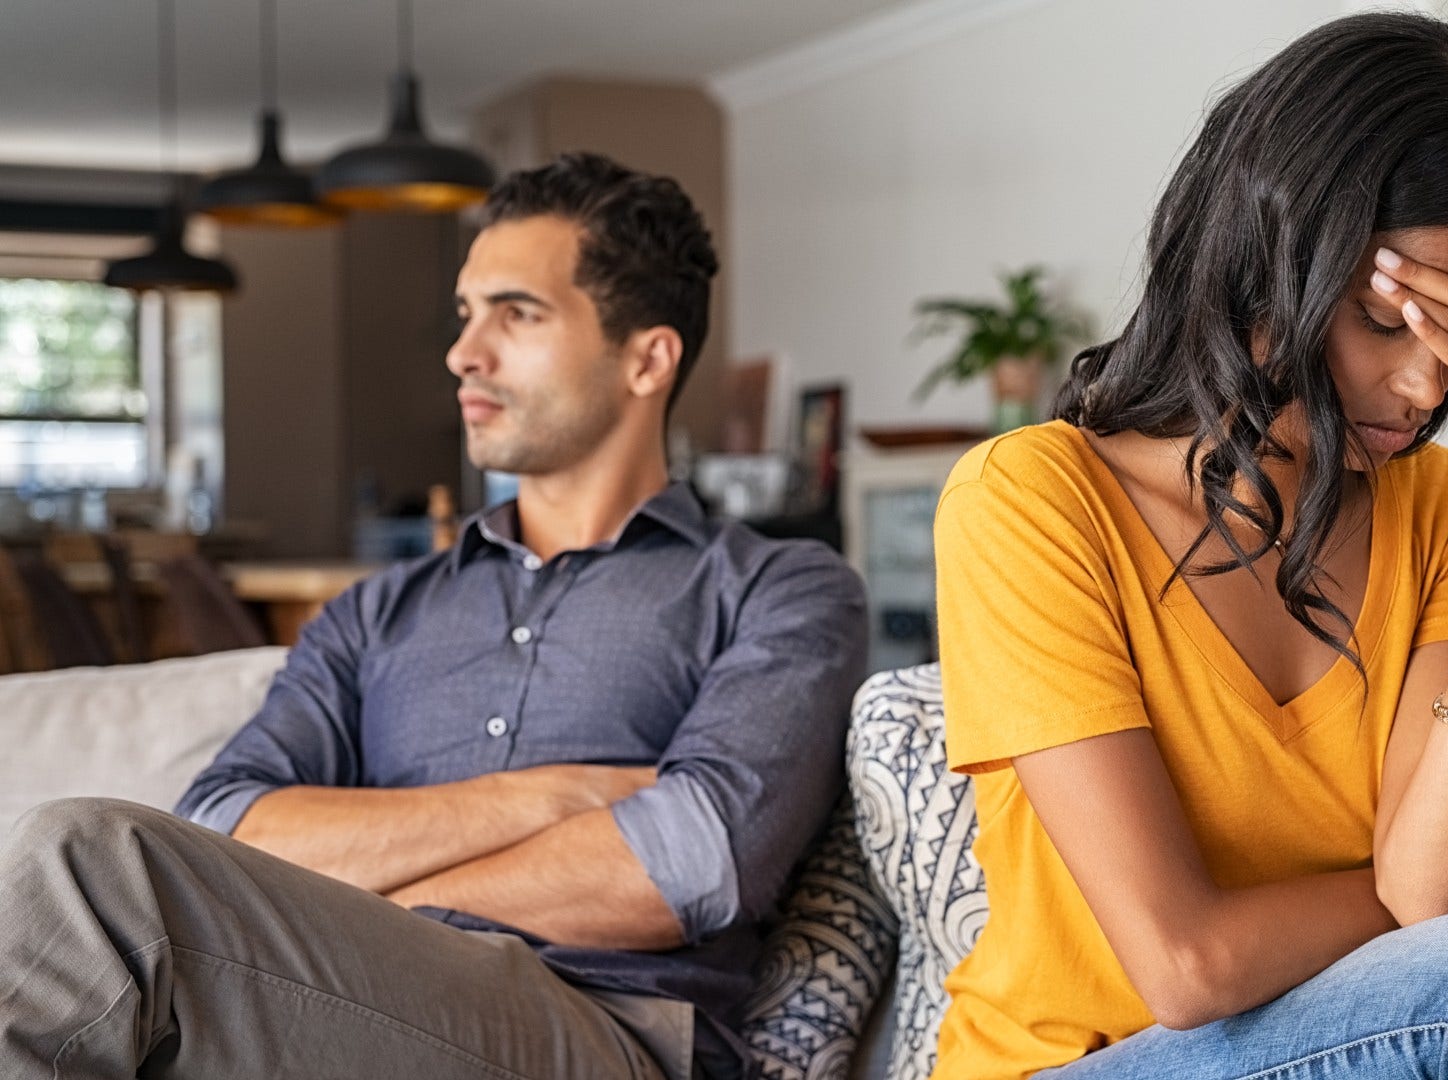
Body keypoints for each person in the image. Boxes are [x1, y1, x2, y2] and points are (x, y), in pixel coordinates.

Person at [0, 152, 868, 1080]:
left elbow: (689, 860)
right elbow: (226, 820)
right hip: (342, 1002)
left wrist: (360, 895)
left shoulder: (782, 588)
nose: (464, 352)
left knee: (90, 860)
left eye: (516, 313)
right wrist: (546, 797)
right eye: (466, 314)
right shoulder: (377, 612)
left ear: (647, 358)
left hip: (604, 1030)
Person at [930, 13, 1448, 1079]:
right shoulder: (1030, 502)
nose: (1429, 385)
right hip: (1075, 1065)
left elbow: (1431, 897)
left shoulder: (1442, 508)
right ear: (1264, 264)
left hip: (1336, 1043)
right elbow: (1186, 966)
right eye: (1384, 318)